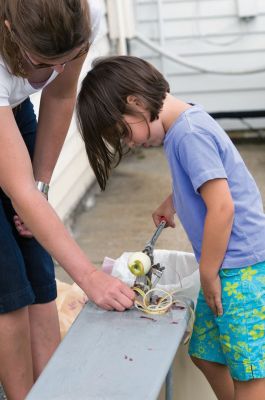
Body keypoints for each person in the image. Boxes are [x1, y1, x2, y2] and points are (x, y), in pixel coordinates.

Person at [76, 55, 265, 400]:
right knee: (205, 354)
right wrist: (173, 200)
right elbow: (205, 178)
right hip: (224, 265)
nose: (130, 143)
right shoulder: (182, 127)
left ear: (136, 101)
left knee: (250, 375)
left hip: (240, 268)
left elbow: (222, 207)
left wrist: (207, 273)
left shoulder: (189, 134)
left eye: (123, 132)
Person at [0, 3, 135, 399]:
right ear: (10, 29)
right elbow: (18, 191)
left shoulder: (80, 15)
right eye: (44, 62)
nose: (57, 70)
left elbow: (59, 97)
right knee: (8, 290)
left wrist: (41, 187)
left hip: (12, 109)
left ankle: (52, 391)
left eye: (67, 60)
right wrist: (90, 278)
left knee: (39, 272)